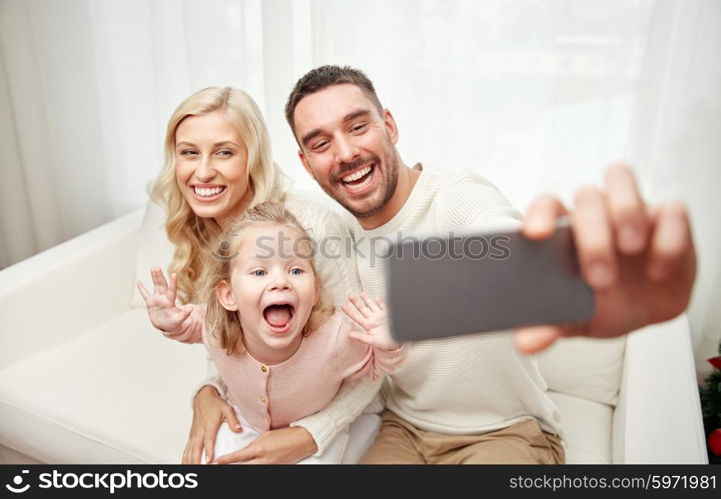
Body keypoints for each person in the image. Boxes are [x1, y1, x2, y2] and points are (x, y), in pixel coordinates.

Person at [193, 65, 696, 464]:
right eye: (321, 143)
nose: (345, 153)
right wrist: (210, 388)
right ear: (306, 163)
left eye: (358, 126)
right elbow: (282, 324)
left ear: (388, 125)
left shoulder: (457, 197)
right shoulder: (331, 236)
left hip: (505, 435)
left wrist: (576, 271)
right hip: (403, 433)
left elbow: (508, 251)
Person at [149, 86, 383, 464]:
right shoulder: (200, 229)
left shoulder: (313, 230)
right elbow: (231, 341)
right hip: (260, 409)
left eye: (224, 152)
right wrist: (208, 392)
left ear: (252, 158)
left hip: (337, 411)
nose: (203, 171)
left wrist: (311, 435)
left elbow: (364, 361)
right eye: (189, 152)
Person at [137, 202, 405, 463]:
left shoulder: (336, 338)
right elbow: (187, 325)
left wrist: (389, 343)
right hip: (243, 422)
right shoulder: (214, 323)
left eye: (296, 270)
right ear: (228, 295)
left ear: (315, 293)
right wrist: (168, 321)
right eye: (259, 271)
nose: (280, 281)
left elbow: (375, 369)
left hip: (311, 433)